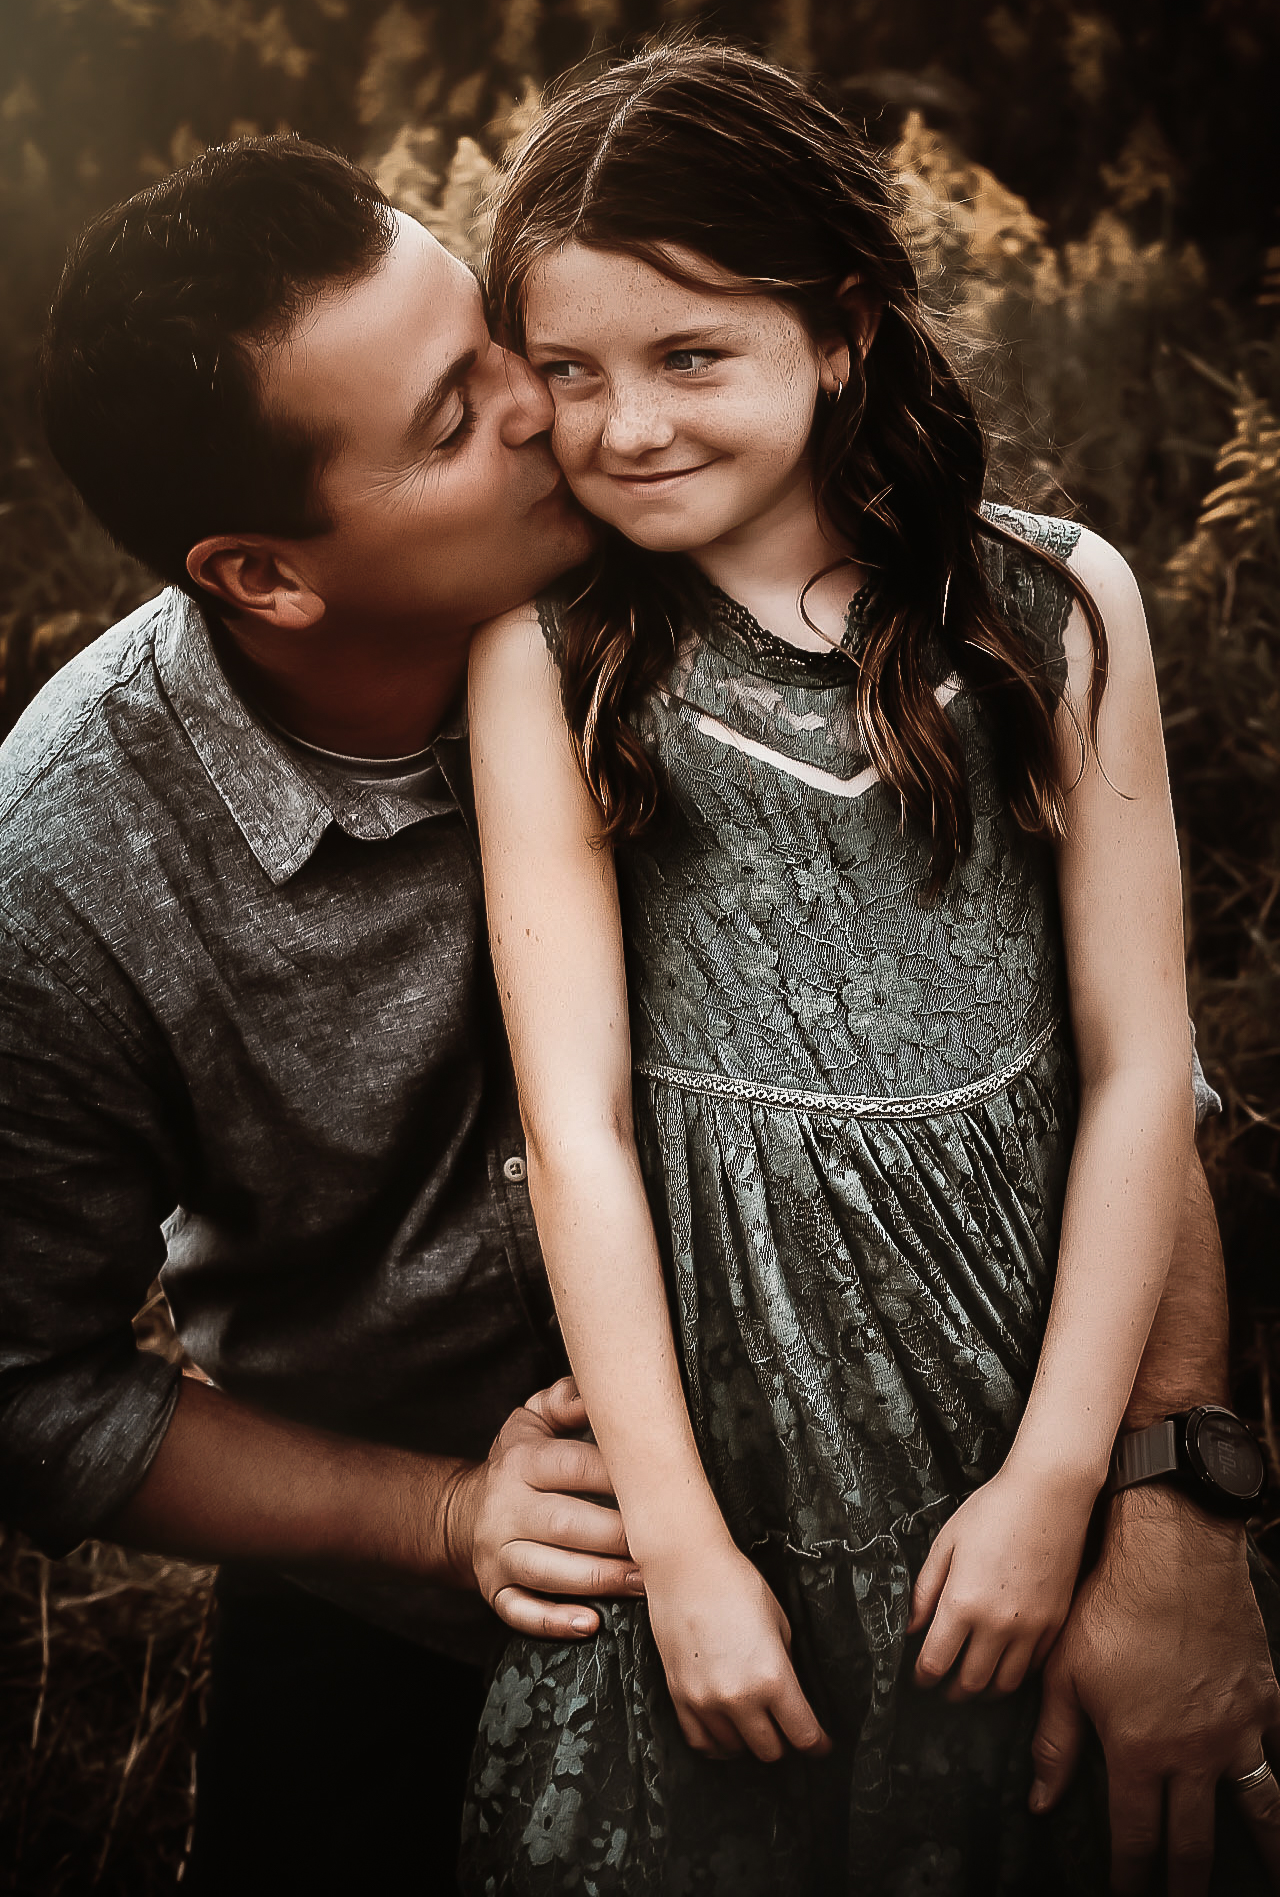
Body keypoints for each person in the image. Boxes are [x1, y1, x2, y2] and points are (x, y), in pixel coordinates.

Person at [0, 132, 1275, 1897]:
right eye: (459, 418)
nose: (556, 414)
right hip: (429, 1585)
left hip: (953, 1487)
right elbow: (23, 1388)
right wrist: (443, 1519)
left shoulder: (775, 582)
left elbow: (1103, 1062)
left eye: (495, 337)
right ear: (266, 576)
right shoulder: (65, 873)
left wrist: (1171, 1497)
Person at [460, 42, 1280, 1893]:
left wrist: (1066, 1479)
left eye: (690, 357)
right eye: (569, 375)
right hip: (728, 1411)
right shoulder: (559, 655)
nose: (627, 427)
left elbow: (1145, 1058)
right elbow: (572, 1118)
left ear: (839, 331)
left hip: (1016, 1370)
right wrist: (674, 1545)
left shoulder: (1052, 606)